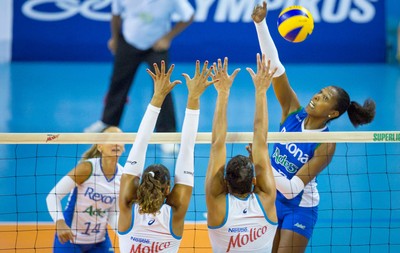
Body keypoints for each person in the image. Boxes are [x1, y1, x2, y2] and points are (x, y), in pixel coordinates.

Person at [251, 2, 376, 252]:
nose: (316, 97)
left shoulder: (326, 143)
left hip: (299, 206)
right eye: (320, 92)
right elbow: (276, 66)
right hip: (269, 195)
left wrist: (260, 159)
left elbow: (292, 189)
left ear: (332, 113)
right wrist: (261, 24)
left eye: (325, 98)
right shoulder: (292, 112)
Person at [117, 60, 216, 252]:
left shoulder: (127, 208)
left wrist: (157, 96)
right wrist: (193, 97)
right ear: (169, 188)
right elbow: (187, 148)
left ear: (140, 184)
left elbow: (140, 143)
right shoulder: (175, 213)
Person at [84, 0, 195, 153]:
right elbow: (116, 16)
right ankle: (107, 124)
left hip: (157, 45)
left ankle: (167, 134)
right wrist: (115, 39)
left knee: (163, 88)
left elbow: (189, 16)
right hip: (129, 42)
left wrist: (167, 38)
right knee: (118, 83)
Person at [206, 55, 278, 253]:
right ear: (254, 181)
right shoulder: (267, 199)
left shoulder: (217, 204)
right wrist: (261, 91)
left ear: (225, 182)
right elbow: (261, 142)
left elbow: (217, 144)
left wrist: (223, 93)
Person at [46, 126, 124, 252]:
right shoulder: (87, 168)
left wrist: (124, 234)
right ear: (100, 146)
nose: (116, 143)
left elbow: (112, 214)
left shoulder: (123, 177)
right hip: (70, 238)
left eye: (120, 139)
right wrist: (59, 222)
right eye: (110, 139)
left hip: (99, 241)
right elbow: (53, 196)